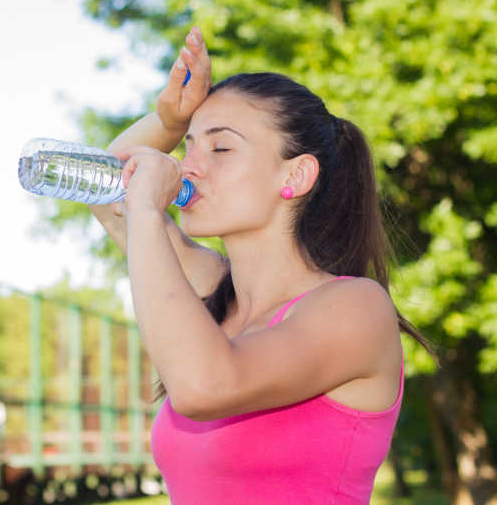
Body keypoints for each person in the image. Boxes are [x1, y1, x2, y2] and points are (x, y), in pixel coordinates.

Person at [88, 26, 433, 504]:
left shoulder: (355, 308)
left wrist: (148, 209)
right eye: (188, 146)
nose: (188, 166)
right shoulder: (215, 292)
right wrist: (168, 120)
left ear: (295, 175)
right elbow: (104, 190)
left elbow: (206, 386)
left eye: (220, 148)